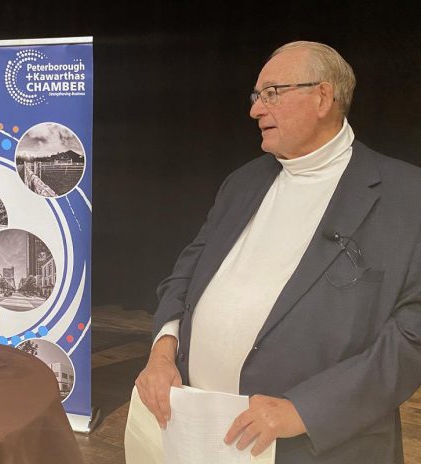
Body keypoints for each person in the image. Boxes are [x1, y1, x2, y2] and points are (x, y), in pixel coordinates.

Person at [131, 41, 421, 463]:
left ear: (322, 97)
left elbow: (413, 333)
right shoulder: (242, 182)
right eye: (256, 96)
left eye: (272, 93)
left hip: (320, 448)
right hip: (200, 435)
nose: (255, 109)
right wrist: (162, 350)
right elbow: (186, 272)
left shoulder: (406, 194)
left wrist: (304, 410)